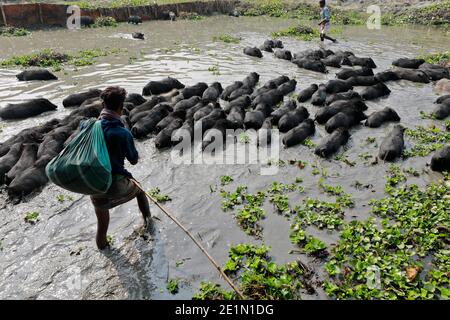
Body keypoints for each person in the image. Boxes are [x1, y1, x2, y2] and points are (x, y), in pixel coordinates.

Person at [90, 86, 152, 250]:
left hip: (93, 185)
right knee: (140, 190)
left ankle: (103, 248)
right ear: (121, 107)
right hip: (114, 184)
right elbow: (133, 160)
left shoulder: (90, 127)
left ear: (102, 105)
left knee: (101, 227)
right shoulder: (122, 133)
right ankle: (148, 223)